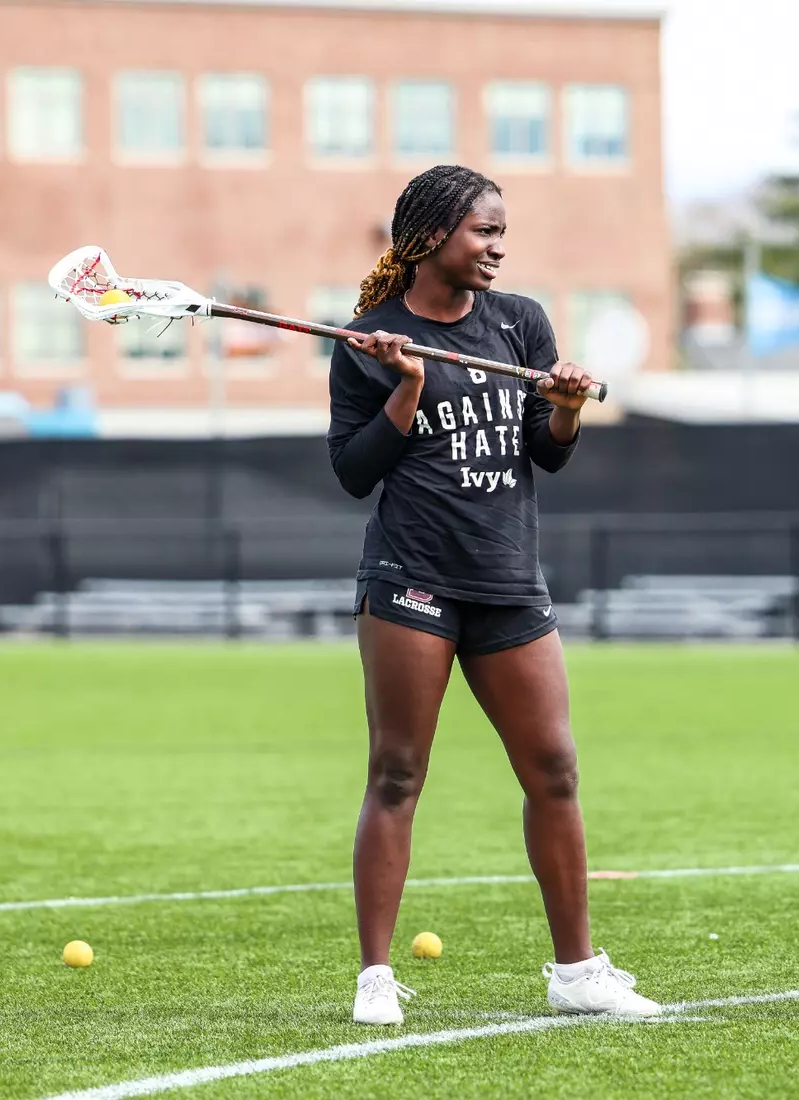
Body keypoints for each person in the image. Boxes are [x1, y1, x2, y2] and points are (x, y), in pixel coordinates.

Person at [327, 164, 659, 1026]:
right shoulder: (369, 338)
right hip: (412, 579)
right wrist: (404, 386)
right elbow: (353, 473)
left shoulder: (519, 324)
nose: (497, 248)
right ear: (434, 235)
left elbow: (545, 453)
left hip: (508, 581)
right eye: (483, 232)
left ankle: (578, 971)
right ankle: (374, 976)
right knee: (397, 773)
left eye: (502, 233)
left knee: (554, 769)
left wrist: (566, 406)